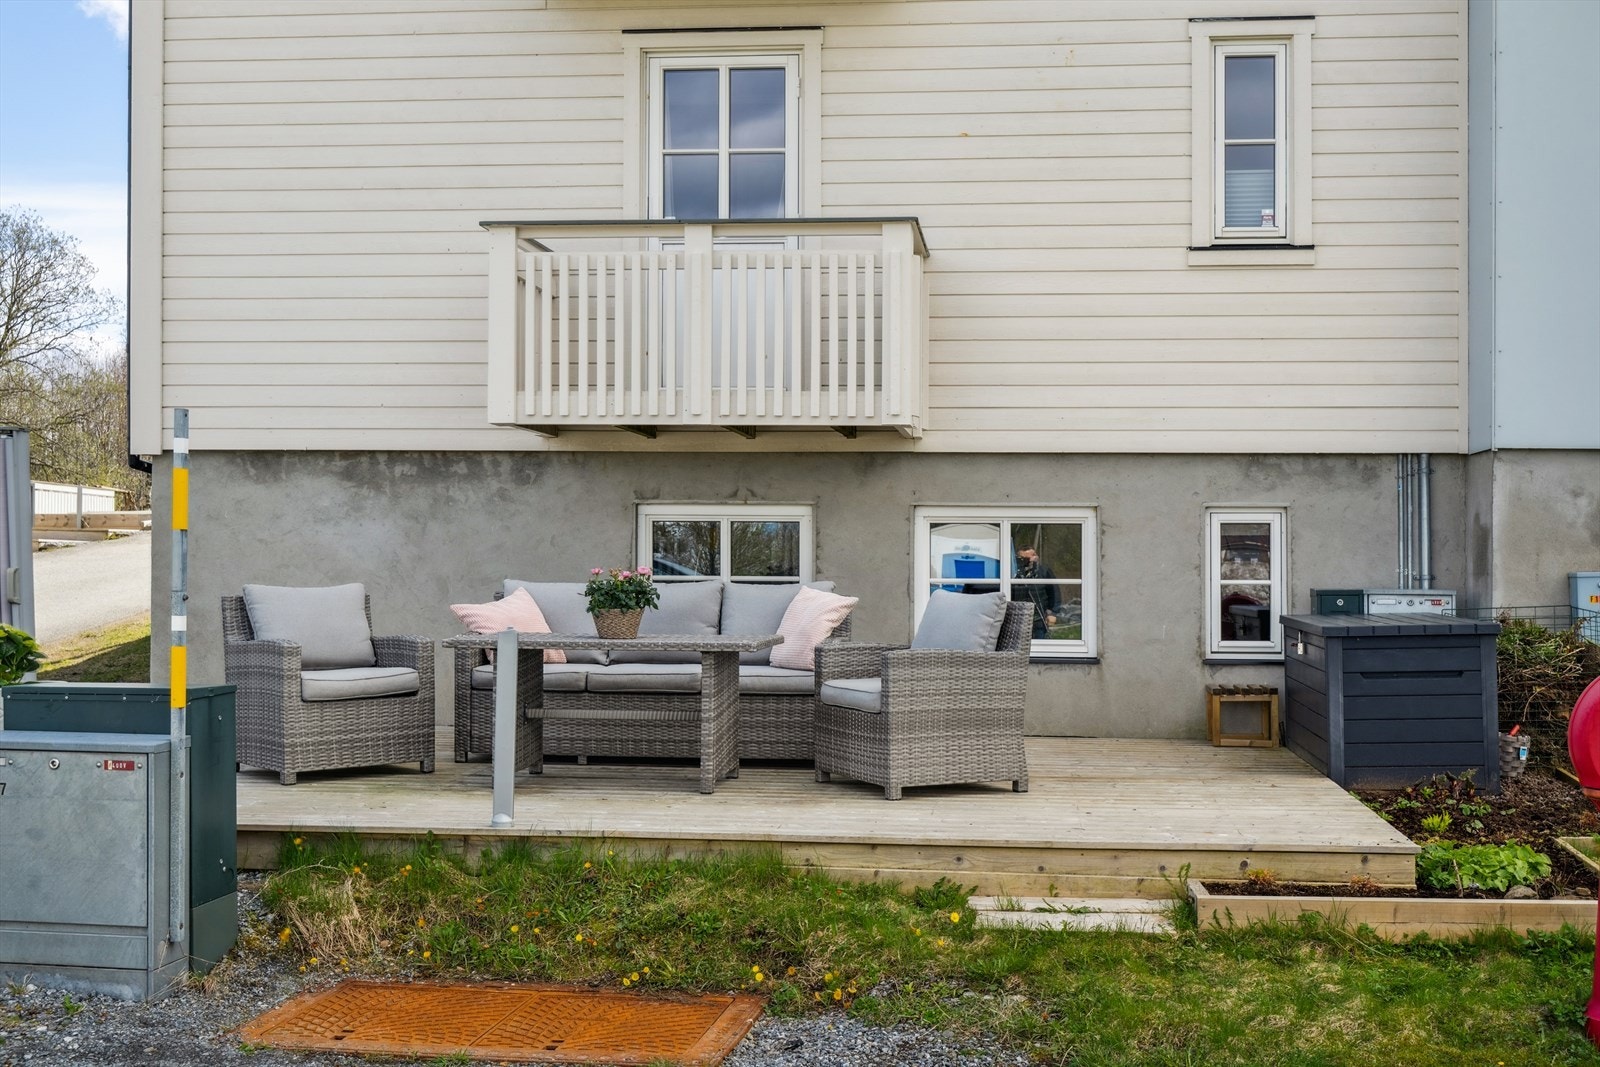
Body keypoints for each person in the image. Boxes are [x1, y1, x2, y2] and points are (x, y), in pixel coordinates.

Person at [1013, 547, 1060, 638]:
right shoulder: (1014, 573)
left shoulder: (1043, 571)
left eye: (1030, 557)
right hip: (1018, 618)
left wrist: (1053, 612)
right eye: (1024, 559)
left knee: (1041, 644)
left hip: (1039, 617)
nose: (1027, 561)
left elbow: (1054, 592)